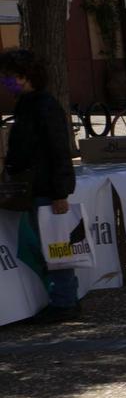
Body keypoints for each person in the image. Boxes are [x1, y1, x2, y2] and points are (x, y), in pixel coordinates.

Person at [0, 50, 81, 324]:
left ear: (25, 77)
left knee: (56, 247)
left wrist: (60, 192)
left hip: (45, 188)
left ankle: (65, 301)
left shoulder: (44, 106)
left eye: (10, 77)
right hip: (35, 187)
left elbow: (59, 150)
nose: (6, 82)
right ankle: (63, 299)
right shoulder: (27, 104)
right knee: (50, 246)